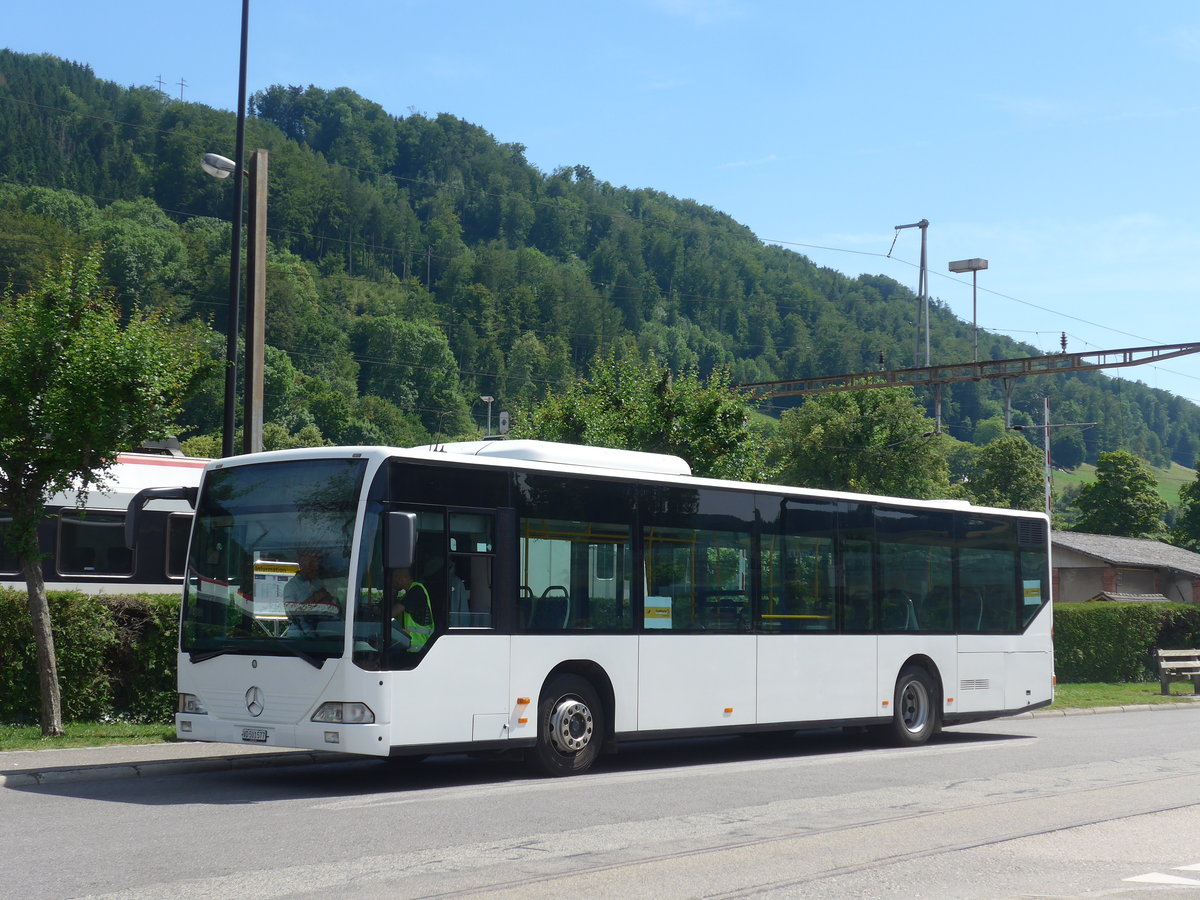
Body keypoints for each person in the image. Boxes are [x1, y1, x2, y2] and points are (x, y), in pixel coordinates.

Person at [283, 550, 339, 632]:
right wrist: (314, 598)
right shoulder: (291, 586)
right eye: (311, 563)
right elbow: (290, 613)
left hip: (320, 631)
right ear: (301, 564)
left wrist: (326, 597)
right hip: (299, 634)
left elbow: (329, 604)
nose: (316, 567)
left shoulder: (318, 582)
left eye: (317, 563)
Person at [392, 566, 434, 653]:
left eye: (396, 576)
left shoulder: (416, 591)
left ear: (404, 577)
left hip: (418, 647)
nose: (393, 580)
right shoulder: (410, 592)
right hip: (410, 644)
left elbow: (393, 612)